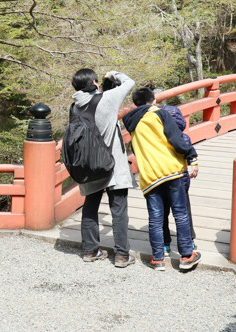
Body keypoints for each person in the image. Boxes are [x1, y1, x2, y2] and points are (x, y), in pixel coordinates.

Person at [123, 87, 201, 271]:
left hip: (149, 176)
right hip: (171, 170)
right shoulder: (160, 114)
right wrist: (192, 157)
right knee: (180, 214)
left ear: (135, 104)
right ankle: (186, 255)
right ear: (154, 100)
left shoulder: (131, 122)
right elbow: (176, 139)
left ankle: (158, 259)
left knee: (155, 218)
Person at [71, 68, 136, 268]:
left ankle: (91, 251)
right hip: (112, 164)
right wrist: (113, 73)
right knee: (119, 210)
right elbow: (129, 82)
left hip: (89, 166)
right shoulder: (107, 99)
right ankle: (122, 255)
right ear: (94, 83)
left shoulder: (74, 107)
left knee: (90, 207)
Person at [156, 100, 195, 258]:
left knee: (162, 213)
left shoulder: (157, 140)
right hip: (181, 182)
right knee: (184, 213)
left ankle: (165, 243)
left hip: (161, 180)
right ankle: (189, 240)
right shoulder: (184, 138)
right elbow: (191, 156)